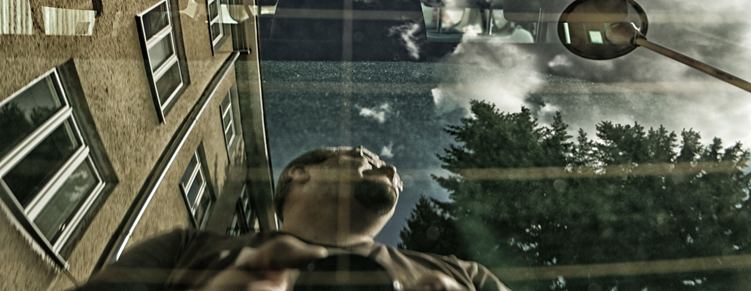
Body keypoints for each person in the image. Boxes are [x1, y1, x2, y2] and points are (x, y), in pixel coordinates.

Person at [76, 146, 511, 290]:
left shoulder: (463, 275)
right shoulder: (186, 248)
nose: (391, 170)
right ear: (299, 173)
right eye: (366, 156)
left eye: (392, 173)